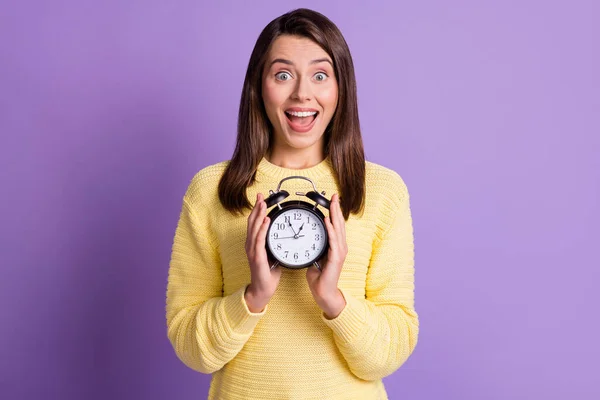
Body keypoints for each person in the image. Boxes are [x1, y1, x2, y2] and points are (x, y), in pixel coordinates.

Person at [165, 8, 418, 400]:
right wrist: (253, 297)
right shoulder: (212, 189)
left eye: (320, 75)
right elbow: (192, 349)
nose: (302, 93)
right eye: (282, 74)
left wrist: (333, 298)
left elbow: (388, 354)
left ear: (341, 89)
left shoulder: (381, 191)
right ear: (258, 86)